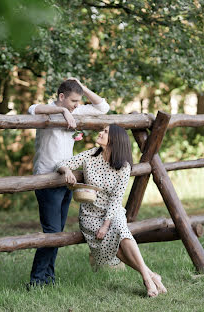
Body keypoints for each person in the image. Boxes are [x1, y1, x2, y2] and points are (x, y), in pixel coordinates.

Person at [56, 124, 167, 297]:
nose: (100, 133)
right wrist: (67, 172)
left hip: (112, 212)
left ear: (115, 139)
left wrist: (106, 225)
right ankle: (151, 275)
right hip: (90, 215)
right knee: (118, 249)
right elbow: (62, 163)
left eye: (105, 132)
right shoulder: (91, 154)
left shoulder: (124, 166)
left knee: (122, 232)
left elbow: (116, 200)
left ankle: (146, 278)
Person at [27, 78, 110, 289]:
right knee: (52, 232)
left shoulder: (76, 111)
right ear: (61, 97)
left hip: (67, 178)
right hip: (47, 179)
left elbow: (103, 107)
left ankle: (48, 279)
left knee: (58, 231)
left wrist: (82, 86)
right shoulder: (48, 111)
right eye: (73, 101)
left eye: (78, 101)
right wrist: (63, 112)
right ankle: (36, 281)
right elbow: (31, 108)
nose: (76, 105)